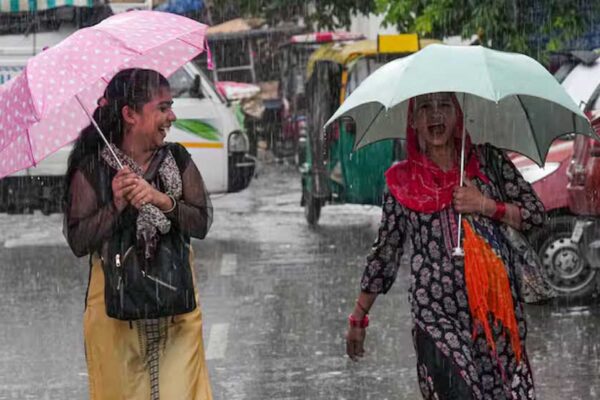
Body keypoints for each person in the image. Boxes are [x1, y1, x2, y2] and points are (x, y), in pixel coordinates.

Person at [345, 92, 546, 400]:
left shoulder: (488, 162)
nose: (435, 114)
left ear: (457, 115)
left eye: (444, 106)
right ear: (413, 121)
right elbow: (385, 254)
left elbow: (535, 216)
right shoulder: (402, 182)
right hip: (435, 316)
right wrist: (359, 317)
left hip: (495, 313)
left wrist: (485, 205)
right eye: (425, 107)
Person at [63, 68, 214, 400]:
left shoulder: (177, 158)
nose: (171, 116)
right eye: (163, 107)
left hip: (177, 310)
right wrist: (116, 204)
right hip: (115, 315)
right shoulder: (93, 170)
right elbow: (79, 241)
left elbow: (201, 222)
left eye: (171, 106)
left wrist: (161, 200)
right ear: (130, 115)